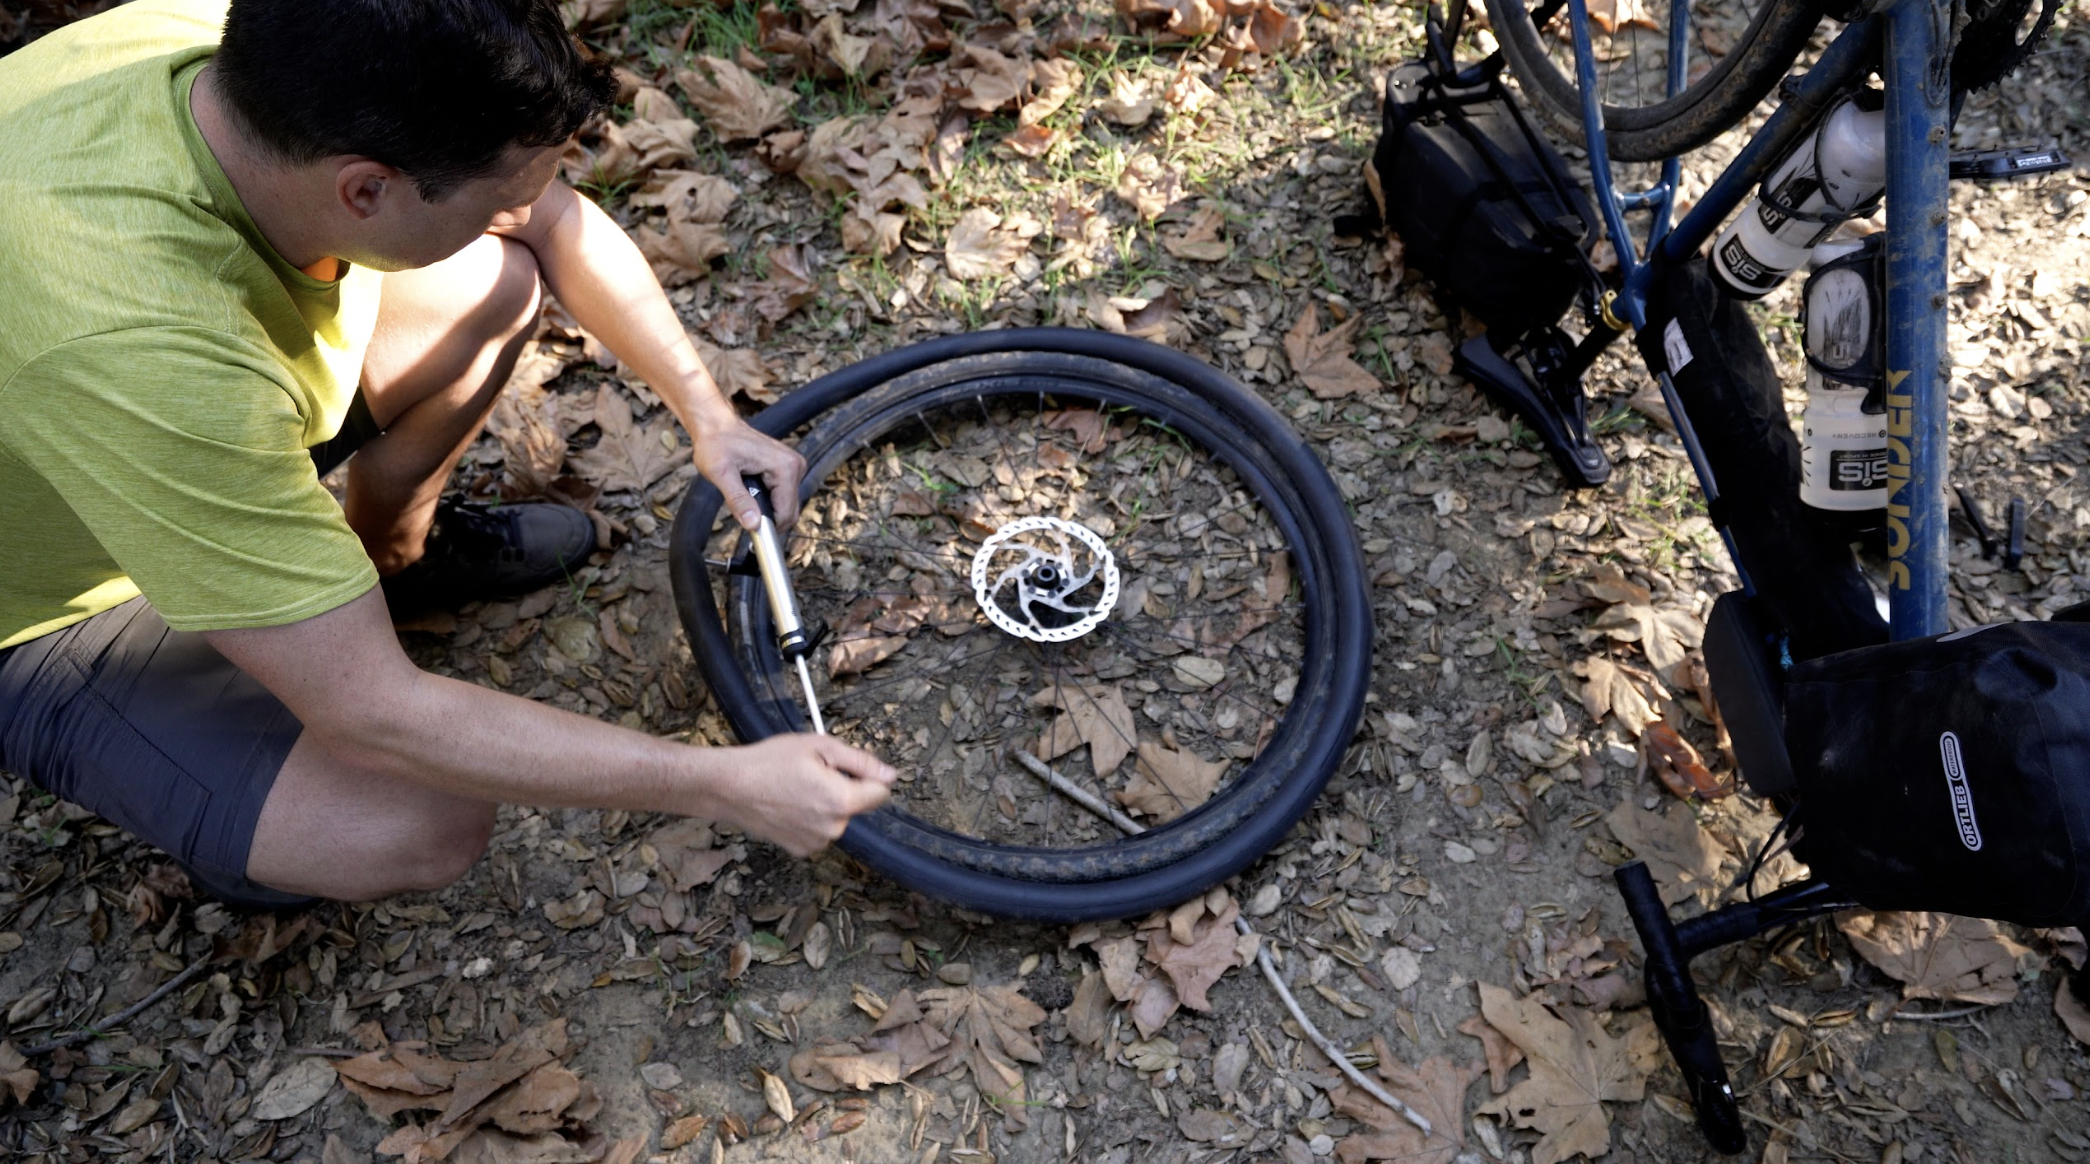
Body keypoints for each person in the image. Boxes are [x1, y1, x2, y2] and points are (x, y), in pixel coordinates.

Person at [0, 0, 895, 909]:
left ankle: (388, 563)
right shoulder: (144, 353)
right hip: (42, 601)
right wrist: (728, 784)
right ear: (365, 190)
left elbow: (551, 225)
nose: (528, 208)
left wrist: (711, 416)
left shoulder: (261, 49)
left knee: (493, 285)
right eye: (499, 195)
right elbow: (373, 717)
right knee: (411, 818)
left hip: (162, 421)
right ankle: (237, 806)